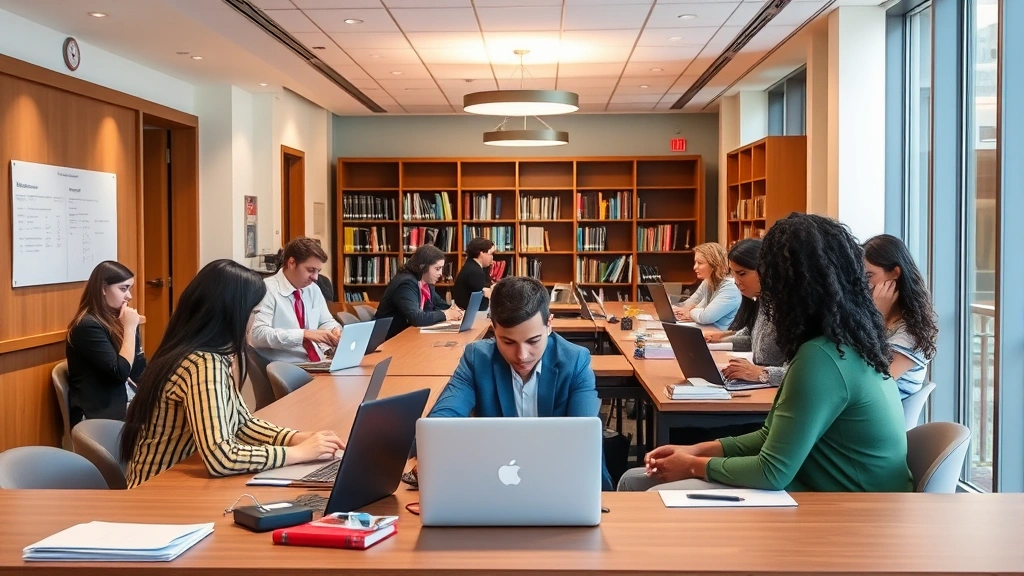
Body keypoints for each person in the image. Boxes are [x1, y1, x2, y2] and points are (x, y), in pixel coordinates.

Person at [619, 213, 912, 493]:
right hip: (828, 486)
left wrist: (694, 465)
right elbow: (769, 436)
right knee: (637, 479)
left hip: (852, 509)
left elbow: (772, 472)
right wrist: (696, 449)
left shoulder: (822, 357)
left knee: (639, 485)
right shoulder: (842, 343)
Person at [120, 260, 345, 488]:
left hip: (177, 483)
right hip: (157, 494)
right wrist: (296, 453)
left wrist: (296, 438)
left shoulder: (207, 354)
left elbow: (241, 423)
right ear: (233, 313)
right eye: (254, 312)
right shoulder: (202, 363)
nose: (253, 320)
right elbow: (222, 458)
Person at [425, 276, 613, 490]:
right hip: (496, 482)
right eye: (507, 342)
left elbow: (584, 440)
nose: (522, 355)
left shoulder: (575, 361)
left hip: (563, 483)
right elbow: (440, 423)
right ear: (493, 328)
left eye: (533, 341)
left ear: (549, 324)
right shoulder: (477, 358)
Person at [65, 261, 146, 425]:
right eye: (123, 289)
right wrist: (130, 329)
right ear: (103, 288)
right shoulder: (87, 325)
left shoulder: (118, 320)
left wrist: (133, 330)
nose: (129, 296)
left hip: (125, 404)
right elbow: (120, 373)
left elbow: (138, 371)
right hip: (99, 415)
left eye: (130, 289)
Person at [863, 234, 938, 398]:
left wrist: (877, 317)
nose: (864, 283)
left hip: (880, 417)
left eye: (869, 276)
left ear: (895, 273)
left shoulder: (911, 332)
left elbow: (876, 384)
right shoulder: (879, 318)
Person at [704, 239, 786, 386]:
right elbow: (753, 341)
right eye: (733, 274)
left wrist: (762, 373)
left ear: (764, 268)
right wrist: (716, 344)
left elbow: (807, 373)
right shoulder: (763, 301)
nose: (736, 281)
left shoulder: (789, 308)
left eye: (742, 273)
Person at [249, 237, 341, 363]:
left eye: (318, 271)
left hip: (316, 362)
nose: (315, 277)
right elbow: (257, 334)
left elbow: (326, 321)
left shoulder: (313, 289)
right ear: (291, 263)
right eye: (310, 270)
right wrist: (303, 335)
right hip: (285, 368)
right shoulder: (267, 289)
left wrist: (335, 330)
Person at [375, 244, 462, 340]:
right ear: (423, 267)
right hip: (388, 340)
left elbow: (441, 305)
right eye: (437, 269)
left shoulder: (426, 283)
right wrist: (446, 314)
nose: (441, 274)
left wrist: (457, 311)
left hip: (408, 336)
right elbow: (416, 317)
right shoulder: (406, 283)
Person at [672, 242, 741, 330]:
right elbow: (691, 302)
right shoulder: (708, 281)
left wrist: (691, 312)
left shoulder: (730, 288)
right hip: (706, 331)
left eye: (700, 263)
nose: (694, 267)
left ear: (714, 265)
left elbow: (706, 317)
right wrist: (677, 309)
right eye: (695, 262)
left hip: (720, 338)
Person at [452, 237, 495, 311]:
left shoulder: (470, 265)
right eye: (490, 254)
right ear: (481, 253)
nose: (492, 257)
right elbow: (484, 297)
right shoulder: (475, 272)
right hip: (472, 314)